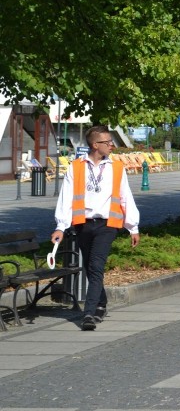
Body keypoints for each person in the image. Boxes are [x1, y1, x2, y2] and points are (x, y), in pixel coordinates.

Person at [51, 125, 140, 331]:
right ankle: (101, 303)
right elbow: (66, 198)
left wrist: (132, 227)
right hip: (83, 224)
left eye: (111, 142)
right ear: (94, 144)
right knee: (91, 268)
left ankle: (88, 313)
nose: (111, 145)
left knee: (96, 266)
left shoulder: (116, 168)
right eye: (107, 142)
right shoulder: (76, 166)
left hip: (107, 225)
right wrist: (60, 227)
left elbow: (126, 197)